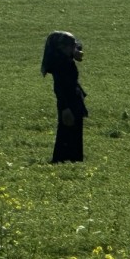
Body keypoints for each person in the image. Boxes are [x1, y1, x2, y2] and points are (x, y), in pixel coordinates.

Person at [41, 30, 88, 163]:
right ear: (61, 48)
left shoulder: (64, 57)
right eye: (70, 47)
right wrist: (65, 108)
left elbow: (78, 45)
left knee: (75, 130)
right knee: (67, 131)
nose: (73, 48)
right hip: (68, 101)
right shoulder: (59, 65)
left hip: (75, 98)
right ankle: (65, 158)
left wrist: (75, 51)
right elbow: (59, 89)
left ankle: (73, 158)